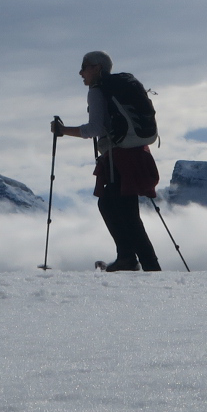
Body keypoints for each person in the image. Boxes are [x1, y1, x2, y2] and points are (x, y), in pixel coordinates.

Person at [52, 50, 161, 272]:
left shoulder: (97, 91)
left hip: (117, 158)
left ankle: (138, 262)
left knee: (118, 208)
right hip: (135, 154)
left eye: (84, 67)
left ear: (97, 68)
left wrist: (63, 131)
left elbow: (94, 128)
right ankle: (133, 259)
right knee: (122, 209)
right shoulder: (117, 88)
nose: (80, 72)